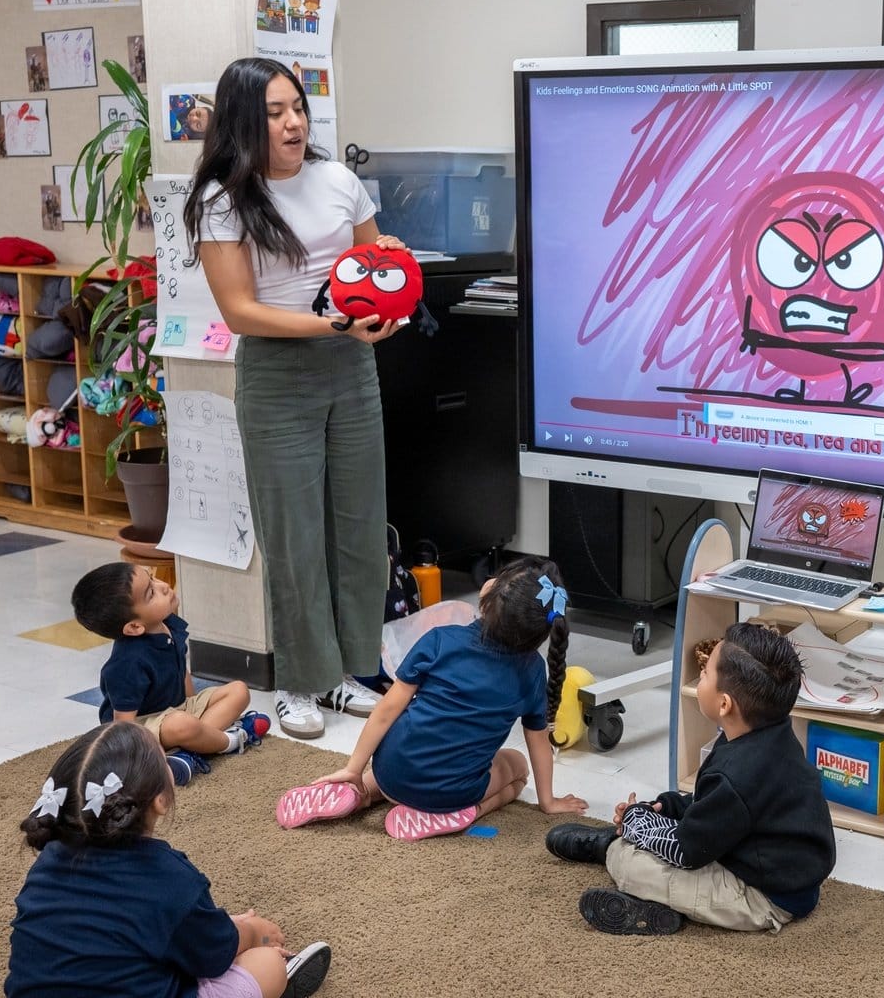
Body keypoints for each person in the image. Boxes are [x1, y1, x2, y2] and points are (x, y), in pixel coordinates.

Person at [185, 56, 405, 739]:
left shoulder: (339, 180)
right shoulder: (225, 201)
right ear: (247, 121)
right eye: (276, 111)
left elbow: (377, 268)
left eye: (298, 108)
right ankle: (301, 683)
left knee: (361, 530)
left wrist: (385, 308)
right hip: (277, 374)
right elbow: (242, 313)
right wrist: (329, 322)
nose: (292, 122)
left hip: (350, 367)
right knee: (295, 537)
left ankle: (350, 672)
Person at [5, 721, 332, 998]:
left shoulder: (46, 864)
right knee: (268, 965)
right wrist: (251, 932)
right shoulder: (170, 879)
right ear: (160, 799)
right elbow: (213, 958)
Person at [545, 622, 836, 935]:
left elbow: (686, 852)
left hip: (763, 899)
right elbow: (715, 807)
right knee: (652, 835)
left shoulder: (737, 773)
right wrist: (665, 806)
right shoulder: (770, 735)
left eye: (706, 674)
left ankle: (611, 850)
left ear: (725, 704)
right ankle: (631, 859)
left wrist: (635, 823)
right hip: (772, 868)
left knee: (629, 861)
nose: (700, 678)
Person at [274, 556, 588, 839]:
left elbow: (387, 710)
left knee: (411, 754)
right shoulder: (532, 672)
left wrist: (353, 768)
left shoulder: (440, 640)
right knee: (516, 767)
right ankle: (460, 814)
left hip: (391, 772)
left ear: (489, 601)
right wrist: (548, 801)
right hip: (451, 792)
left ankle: (359, 791)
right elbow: (538, 744)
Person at [72, 562, 269, 785]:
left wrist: (193, 705)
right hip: (143, 725)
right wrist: (146, 760)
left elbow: (179, 667)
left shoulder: (166, 624)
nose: (163, 586)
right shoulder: (127, 664)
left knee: (239, 690)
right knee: (182, 725)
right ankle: (232, 740)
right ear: (135, 627)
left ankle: (190, 752)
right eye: (151, 593)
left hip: (176, 710)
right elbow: (124, 727)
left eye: (152, 578)